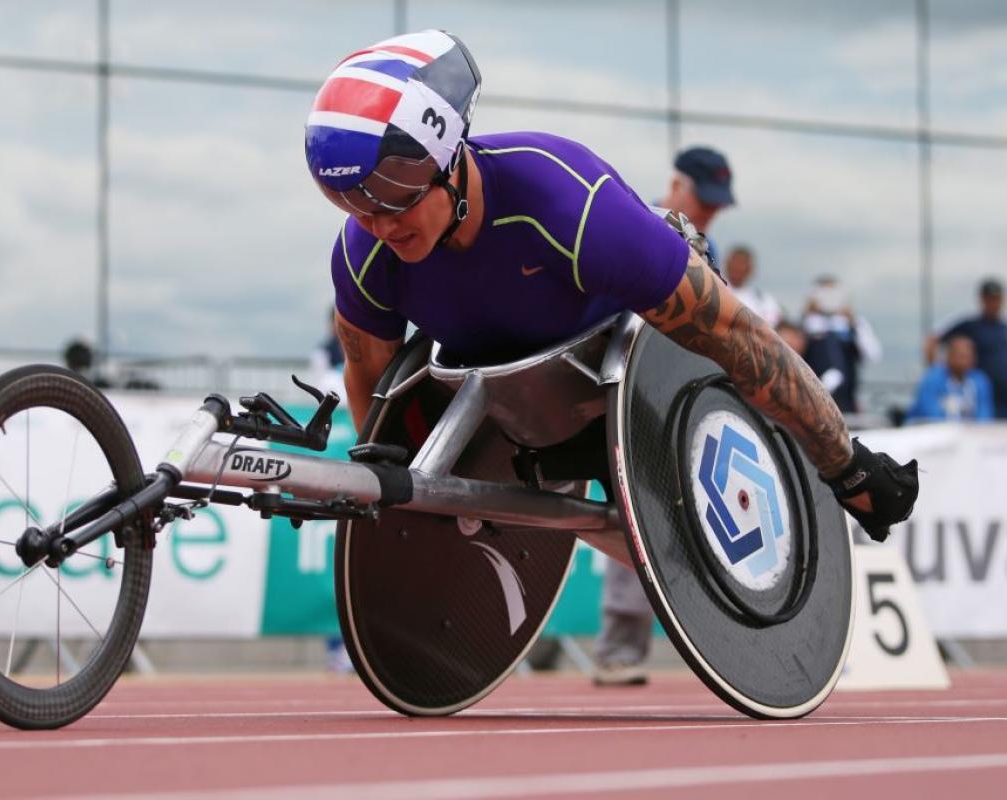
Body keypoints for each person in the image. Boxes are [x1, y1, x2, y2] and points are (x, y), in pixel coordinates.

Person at [307, 28, 917, 681]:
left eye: (394, 193)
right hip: (507, 402)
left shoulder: (572, 208)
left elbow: (739, 340)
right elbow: (371, 382)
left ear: (450, 156)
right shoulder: (363, 253)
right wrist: (403, 493)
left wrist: (845, 463)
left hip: (631, 360)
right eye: (350, 200)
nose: (378, 223)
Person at [592, 145, 737, 686]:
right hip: (616, 385)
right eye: (704, 199)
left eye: (718, 204)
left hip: (677, 394)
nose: (710, 211)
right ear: (677, 185)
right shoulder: (632, 219)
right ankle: (617, 650)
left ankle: (732, 650)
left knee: (694, 516)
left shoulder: (708, 243)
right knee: (631, 510)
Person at [927, 279, 1007, 419]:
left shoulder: (1003, 329)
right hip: (976, 395)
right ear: (982, 299)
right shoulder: (970, 325)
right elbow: (933, 340)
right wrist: (937, 371)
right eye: (990, 299)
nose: (994, 303)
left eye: (997, 299)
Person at [800, 276, 881, 414]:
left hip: (846, 401)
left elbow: (874, 355)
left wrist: (853, 323)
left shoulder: (855, 325)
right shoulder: (806, 324)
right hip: (812, 400)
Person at [906, 336, 993, 422]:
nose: (964, 361)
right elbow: (930, 414)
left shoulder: (979, 380)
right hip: (927, 431)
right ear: (949, 357)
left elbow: (984, 414)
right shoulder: (932, 378)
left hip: (967, 433)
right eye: (961, 356)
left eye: (968, 356)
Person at [724, 246, 781, 326]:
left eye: (742, 263)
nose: (737, 267)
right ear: (727, 264)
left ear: (750, 269)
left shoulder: (763, 301)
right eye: (735, 262)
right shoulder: (715, 291)